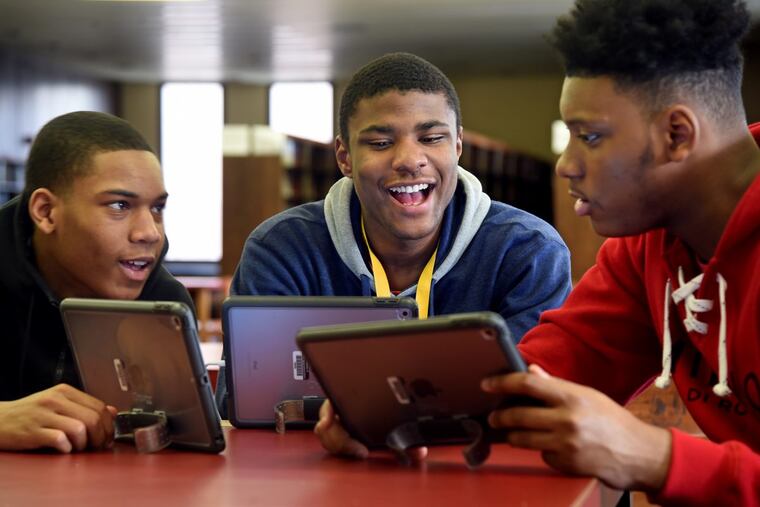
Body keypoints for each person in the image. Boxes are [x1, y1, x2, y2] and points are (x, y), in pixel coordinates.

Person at [317, 2, 760, 503]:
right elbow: (536, 374)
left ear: (676, 135)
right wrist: (384, 406)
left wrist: (654, 456)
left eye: (589, 137)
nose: (566, 165)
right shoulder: (644, 250)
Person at [219, 53, 572, 415]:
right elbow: (249, 404)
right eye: (380, 143)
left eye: (432, 137)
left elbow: (530, 402)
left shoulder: (527, 252)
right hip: (321, 466)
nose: (408, 159)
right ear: (344, 157)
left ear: (457, 146)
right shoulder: (280, 249)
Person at [0, 111, 194, 453]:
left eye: (157, 208)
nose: (150, 232)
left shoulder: (164, 305)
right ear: (45, 212)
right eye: (120, 205)